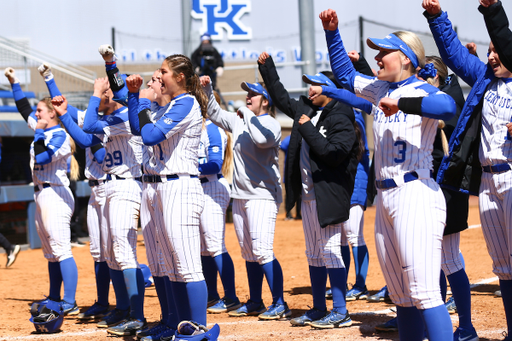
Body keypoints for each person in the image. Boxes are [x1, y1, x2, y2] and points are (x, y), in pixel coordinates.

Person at [319, 8, 457, 340]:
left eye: (384, 52)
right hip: (385, 198)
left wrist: (404, 105)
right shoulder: (379, 91)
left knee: (424, 292)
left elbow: (448, 108)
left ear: (407, 59)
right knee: (402, 296)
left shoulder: (422, 90)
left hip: (416, 194)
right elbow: (345, 73)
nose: (377, 57)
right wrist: (332, 33)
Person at [423, 0, 512, 339]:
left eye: (497, 50)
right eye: (489, 51)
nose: (491, 56)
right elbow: (454, 54)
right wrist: (437, 17)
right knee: (503, 265)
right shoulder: (483, 79)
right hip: (487, 182)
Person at [258, 52, 361, 329]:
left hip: (329, 195)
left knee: (330, 252)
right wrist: (267, 69)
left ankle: (341, 310)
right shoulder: (310, 113)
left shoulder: (342, 115)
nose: (309, 89)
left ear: (329, 89)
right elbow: (280, 99)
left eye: (314, 84)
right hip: (309, 198)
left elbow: (334, 153)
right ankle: (318, 307)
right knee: (314, 254)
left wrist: (307, 129)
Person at [125, 54, 208, 329]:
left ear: (180, 77)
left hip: (180, 186)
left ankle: (197, 326)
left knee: (186, 263)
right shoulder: (169, 106)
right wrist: (136, 96)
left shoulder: (186, 102)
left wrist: (145, 101)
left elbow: (150, 136)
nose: (159, 76)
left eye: (164, 71)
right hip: (156, 187)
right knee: (168, 265)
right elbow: (139, 128)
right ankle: (176, 323)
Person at [201, 76, 290, 320]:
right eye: (247, 93)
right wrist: (208, 89)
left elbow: (262, 140)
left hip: (262, 196)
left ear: (265, 100)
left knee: (262, 250)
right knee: (249, 253)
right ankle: (255, 301)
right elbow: (214, 113)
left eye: (253, 94)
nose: (248, 97)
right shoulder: (240, 119)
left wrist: (245, 114)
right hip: (240, 196)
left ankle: (280, 303)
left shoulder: (270, 122)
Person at [36, 63, 112, 321]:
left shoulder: (112, 122)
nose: (101, 97)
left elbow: (85, 139)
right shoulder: (91, 118)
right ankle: (102, 302)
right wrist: (49, 79)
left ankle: (124, 304)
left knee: (118, 253)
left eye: (104, 93)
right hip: (95, 190)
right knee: (99, 252)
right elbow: (61, 109)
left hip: (116, 186)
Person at [4, 67, 80, 316]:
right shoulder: (42, 127)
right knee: (51, 254)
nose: (36, 114)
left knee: (61, 250)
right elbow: (24, 108)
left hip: (56, 195)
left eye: (41, 111)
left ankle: (70, 301)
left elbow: (44, 157)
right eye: (37, 111)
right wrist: (14, 82)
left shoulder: (58, 134)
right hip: (42, 194)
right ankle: (55, 296)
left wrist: (37, 130)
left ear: (52, 115)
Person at [82, 76, 146, 336]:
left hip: (128, 184)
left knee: (123, 251)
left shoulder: (122, 118)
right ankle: (124, 308)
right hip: (112, 185)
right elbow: (88, 134)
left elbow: (87, 125)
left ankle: (137, 315)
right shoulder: (110, 120)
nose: (101, 94)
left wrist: (97, 92)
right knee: (112, 254)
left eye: (106, 90)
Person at [199, 93, 241, 315]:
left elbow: (215, 164)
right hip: (200, 188)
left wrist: (187, 168)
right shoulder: (196, 127)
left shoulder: (213, 128)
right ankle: (212, 295)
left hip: (213, 187)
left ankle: (231, 298)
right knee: (204, 248)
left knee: (215, 246)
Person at [279, 135, 301, 221]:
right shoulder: (290, 138)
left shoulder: (303, 136)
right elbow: (282, 145)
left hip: (300, 170)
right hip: (290, 170)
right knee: (289, 192)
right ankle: (288, 213)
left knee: (300, 194)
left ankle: (298, 214)